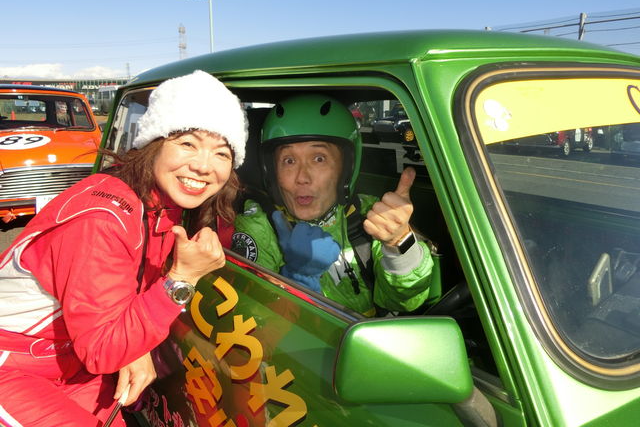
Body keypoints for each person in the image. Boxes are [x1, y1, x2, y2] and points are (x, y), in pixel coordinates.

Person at [0, 70, 248, 426]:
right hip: (14, 364)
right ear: (154, 144)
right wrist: (182, 279)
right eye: (188, 144)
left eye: (222, 153)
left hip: (74, 362)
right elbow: (104, 349)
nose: (203, 165)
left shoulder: (167, 205)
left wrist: (135, 347)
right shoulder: (103, 217)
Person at [231, 94, 434, 317]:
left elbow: (404, 302)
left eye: (319, 158)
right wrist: (297, 278)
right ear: (272, 171)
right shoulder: (260, 227)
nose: (302, 178)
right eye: (289, 161)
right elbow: (255, 321)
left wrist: (398, 244)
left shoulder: (369, 214)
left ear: (346, 168)